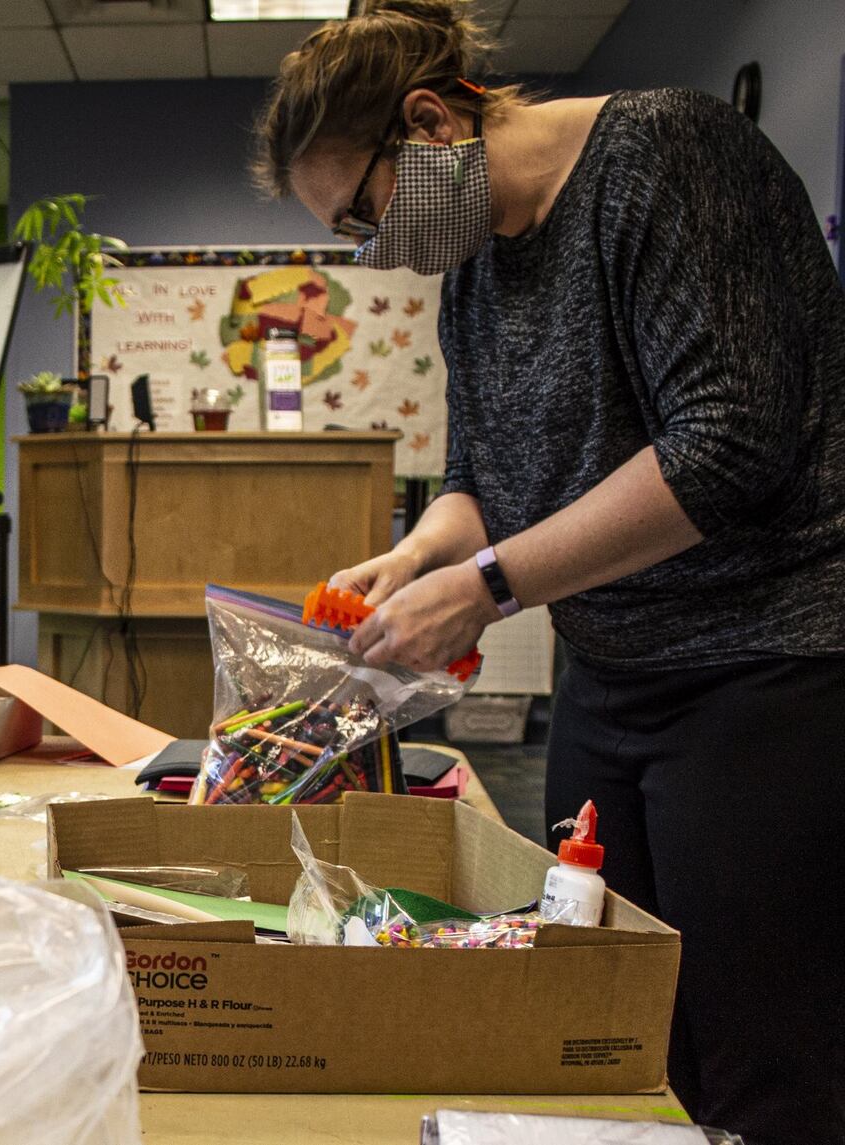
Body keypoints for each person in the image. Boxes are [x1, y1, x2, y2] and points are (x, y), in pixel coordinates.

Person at [251, 2, 845, 1142]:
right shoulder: (473, 275)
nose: (372, 256)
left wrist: (482, 584)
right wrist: (421, 552)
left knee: (765, 1049)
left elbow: (725, 445)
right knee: (615, 1024)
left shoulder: (663, 158)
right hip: (612, 676)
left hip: (763, 669)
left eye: (365, 216)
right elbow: (483, 476)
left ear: (429, 122)